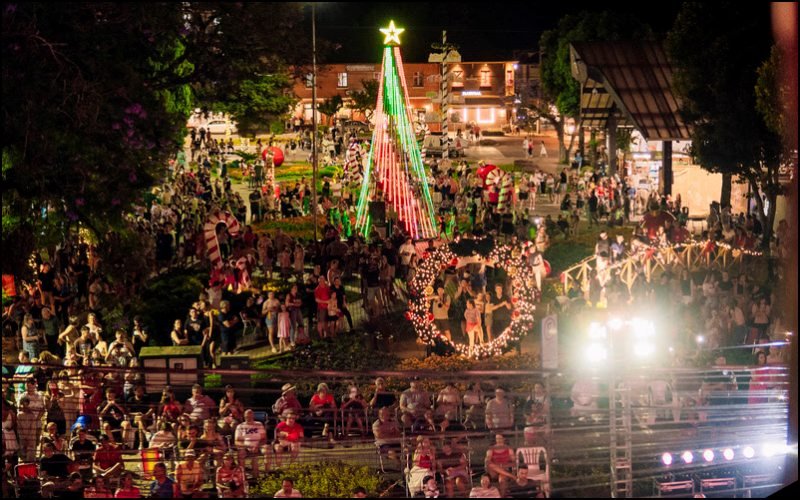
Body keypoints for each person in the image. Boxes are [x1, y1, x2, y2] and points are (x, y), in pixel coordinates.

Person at [234, 409, 267, 479]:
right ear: (244, 417)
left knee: (267, 450)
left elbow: (264, 439)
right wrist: (247, 446)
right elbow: (237, 441)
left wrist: (257, 446)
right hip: (245, 447)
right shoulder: (240, 427)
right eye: (246, 416)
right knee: (241, 453)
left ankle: (267, 473)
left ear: (253, 416)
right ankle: (243, 476)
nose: (248, 418)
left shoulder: (259, 424)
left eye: (250, 416)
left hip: (258, 445)